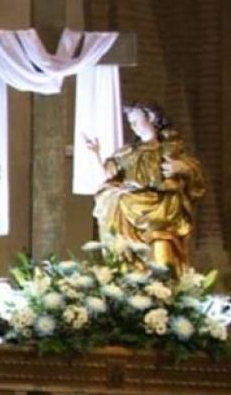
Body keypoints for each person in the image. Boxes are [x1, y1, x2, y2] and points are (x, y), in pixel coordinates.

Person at [88, 102, 206, 270]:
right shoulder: (127, 152)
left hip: (161, 212)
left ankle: (165, 290)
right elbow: (109, 175)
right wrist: (96, 153)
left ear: (151, 118)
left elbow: (194, 175)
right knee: (114, 198)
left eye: (136, 120)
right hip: (129, 212)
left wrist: (183, 168)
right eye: (130, 122)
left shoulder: (170, 148)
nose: (133, 126)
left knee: (161, 256)